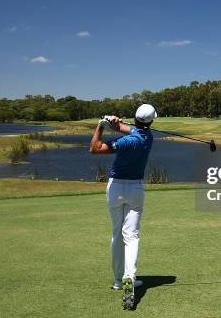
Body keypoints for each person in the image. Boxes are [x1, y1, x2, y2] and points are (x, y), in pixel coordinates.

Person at [89, 103, 157, 305]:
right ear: (151, 121)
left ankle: (119, 280)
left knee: (117, 234)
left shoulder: (127, 141)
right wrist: (113, 121)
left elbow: (95, 148)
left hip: (116, 188)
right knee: (132, 236)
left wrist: (101, 126)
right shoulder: (147, 137)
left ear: (135, 118)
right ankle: (130, 277)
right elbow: (127, 128)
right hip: (135, 189)